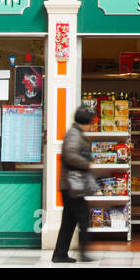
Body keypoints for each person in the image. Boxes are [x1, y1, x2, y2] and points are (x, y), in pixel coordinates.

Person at [53, 106, 95, 263]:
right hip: (72, 186)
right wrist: (86, 163)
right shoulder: (74, 134)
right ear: (87, 122)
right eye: (91, 122)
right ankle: (83, 253)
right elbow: (70, 155)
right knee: (83, 217)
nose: (92, 125)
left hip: (69, 185)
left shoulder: (75, 133)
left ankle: (60, 254)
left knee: (69, 221)